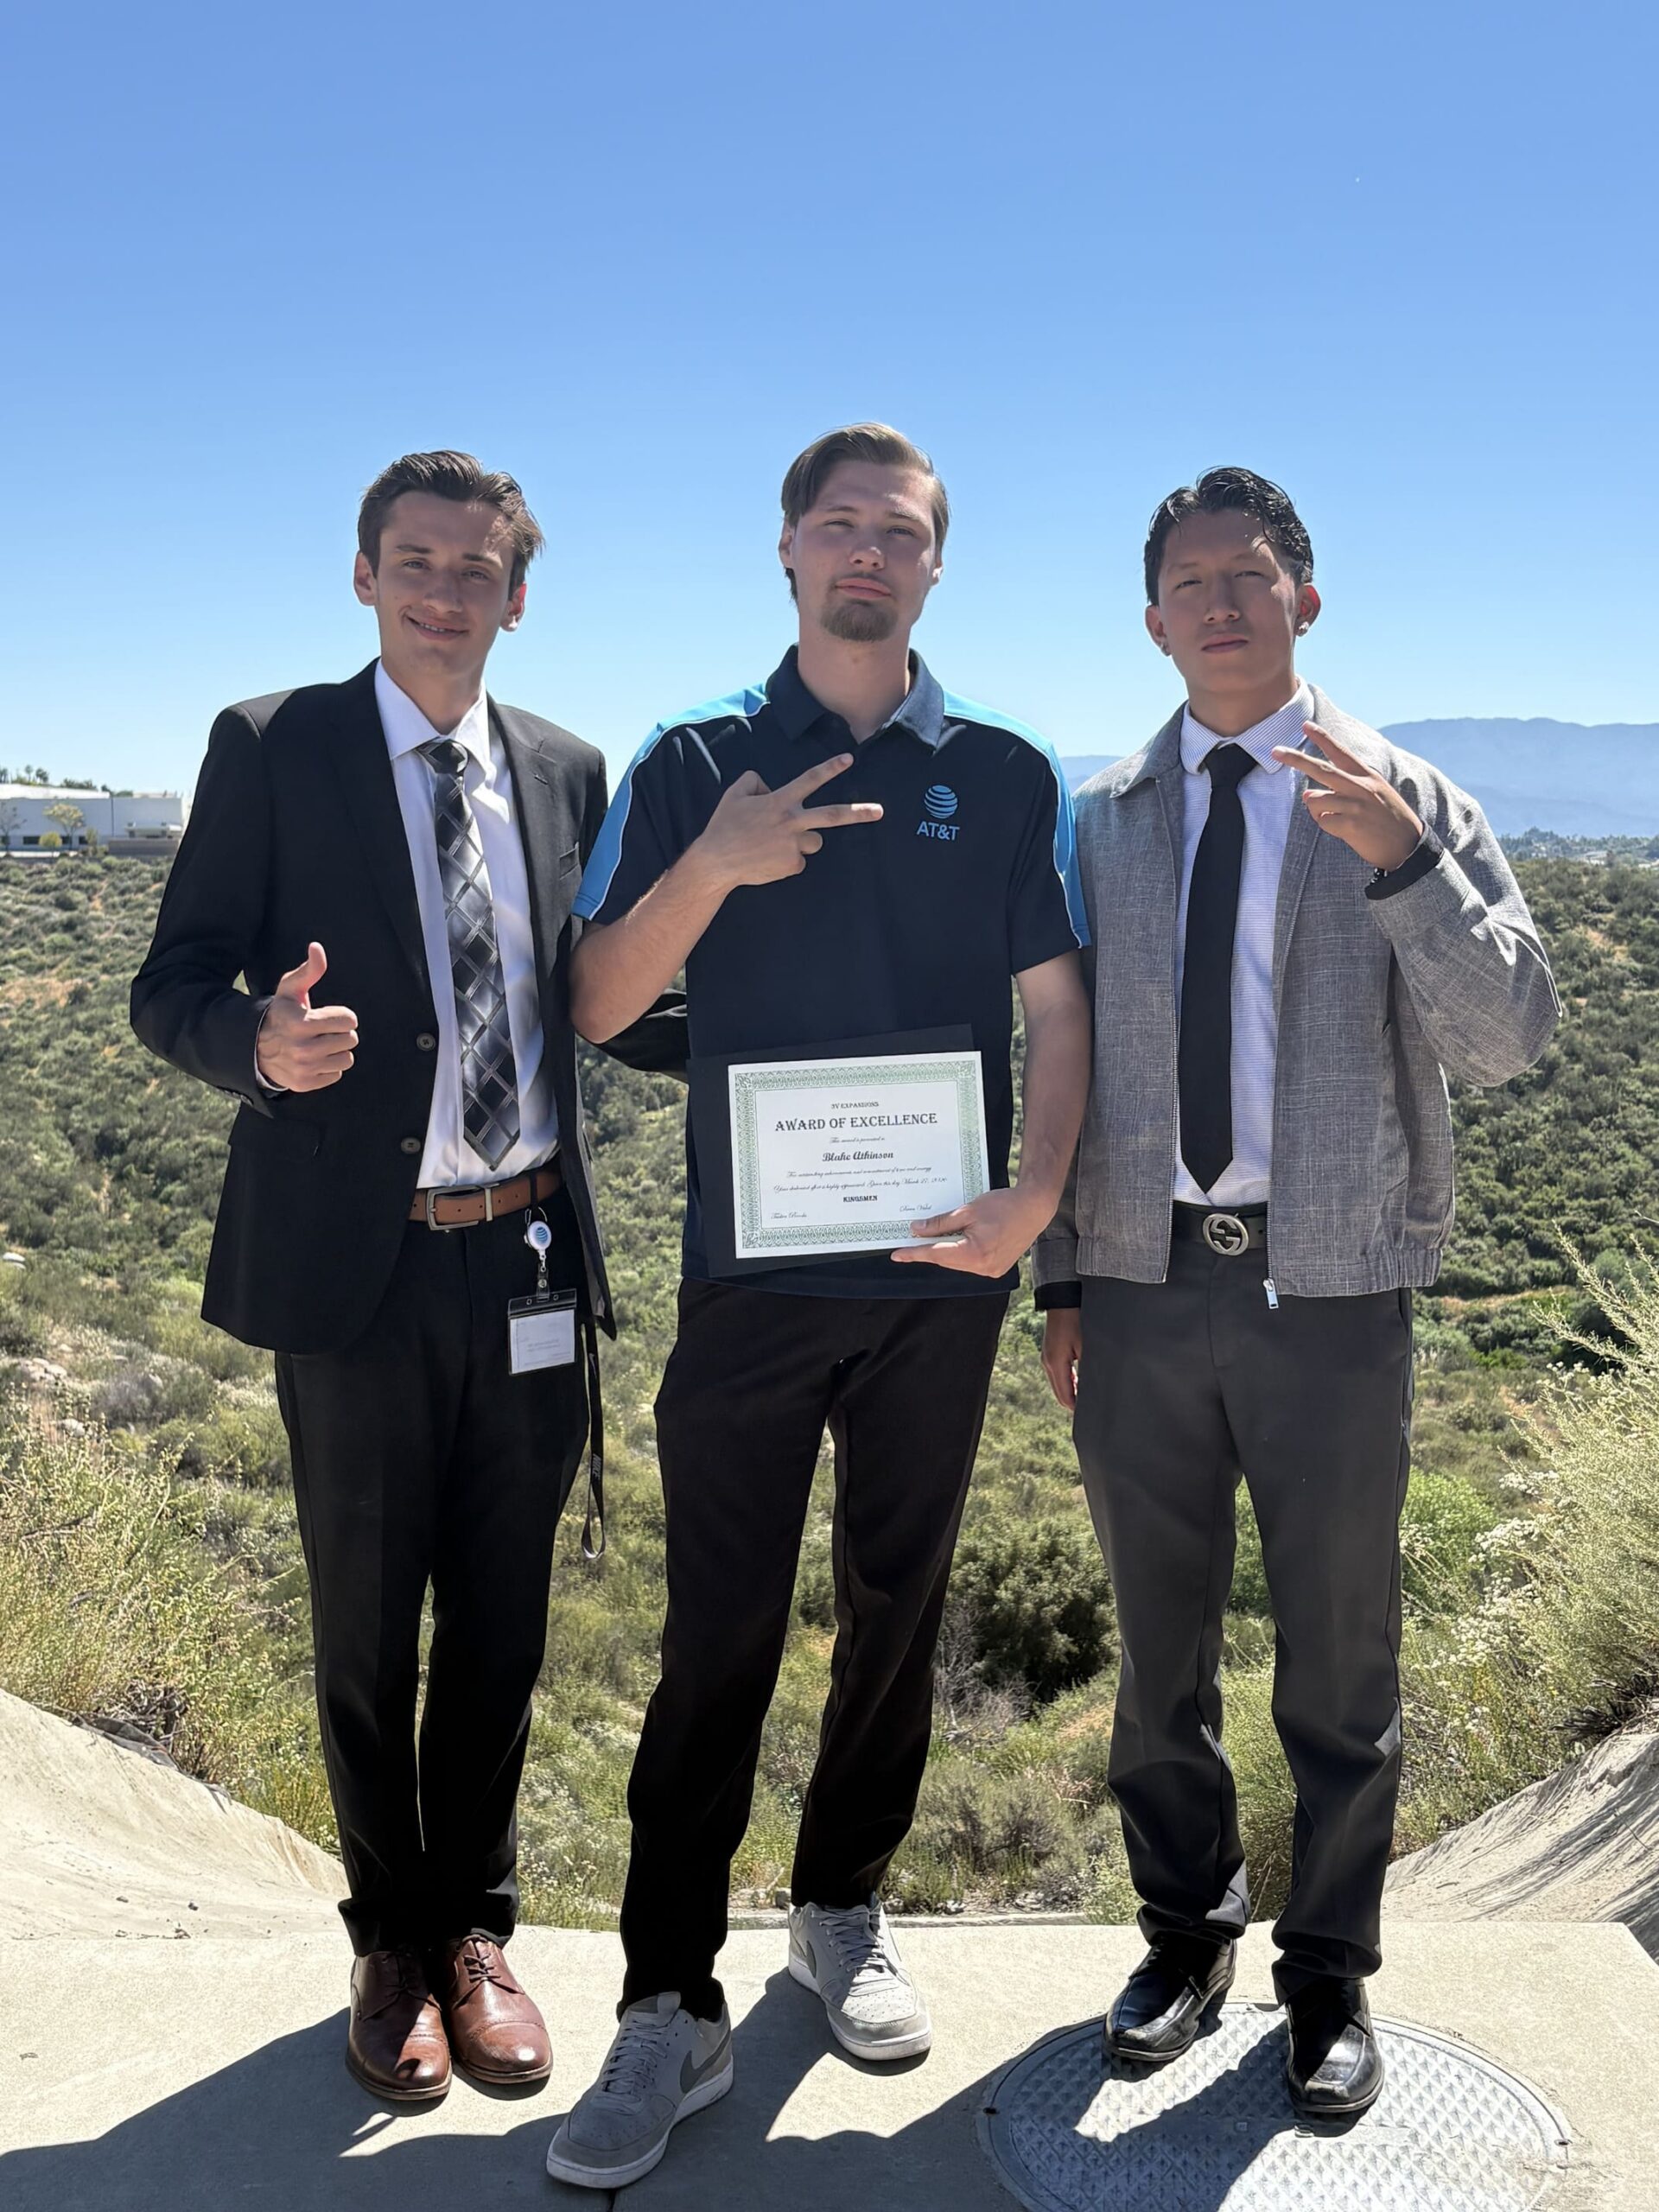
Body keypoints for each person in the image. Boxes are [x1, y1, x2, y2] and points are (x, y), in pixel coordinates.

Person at [543, 423, 1091, 2190]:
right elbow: (596, 1002)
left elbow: (1058, 1009)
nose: (869, 550)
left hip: (941, 1272)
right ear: (787, 548)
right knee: (716, 1632)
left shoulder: (1003, 770)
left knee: (894, 1608)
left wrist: (1035, 1201)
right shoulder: (695, 757)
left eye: (900, 530)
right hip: (751, 1281)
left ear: (936, 562)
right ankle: (666, 1997)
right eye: (840, 523)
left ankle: (839, 1909)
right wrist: (713, 864)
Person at [130, 451, 682, 2105]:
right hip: (354, 1268)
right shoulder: (272, 745)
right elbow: (169, 984)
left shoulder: (569, 770)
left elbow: (611, 996)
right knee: (368, 1627)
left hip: (528, 1250)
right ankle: (388, 1944)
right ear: (364, 575)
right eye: (416, 561)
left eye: (477, 567)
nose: (447, 592)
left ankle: (476, 1936)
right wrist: (256, 1043)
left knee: (504, 1620)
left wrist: (802, 1042)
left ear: (520, 592)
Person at [1034, 467, 1559, 2118]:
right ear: (1150, 621)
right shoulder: (1106, 818)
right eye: (1188, 582)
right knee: (1158, 1654)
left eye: (1247, 575)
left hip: (1329, 1290)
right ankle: (1182, 1938)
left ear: (1305, 599)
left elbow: (1511, 1037)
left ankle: (1327, 1978)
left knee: (1339, 1658)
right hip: (1138, 1283)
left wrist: (1405, 865)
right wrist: (1061, 1278)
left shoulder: (1408, 796)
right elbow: (1060, 1058)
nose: (1218, 603)